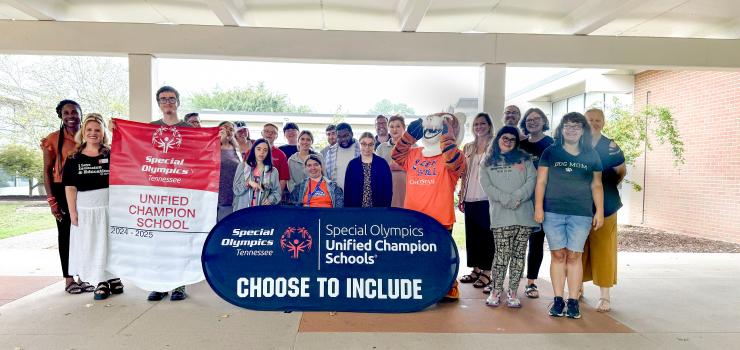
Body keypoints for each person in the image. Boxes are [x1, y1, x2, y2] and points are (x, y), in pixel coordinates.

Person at [534, 112, 604, 319]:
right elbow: (541, 182)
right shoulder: (550, 152)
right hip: (552, 211)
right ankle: (558, 300)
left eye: (576, 126)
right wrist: (538, 207)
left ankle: (573, 301)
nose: (571, 130)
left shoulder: (591, 154)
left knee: (574, 256)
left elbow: (597, 184)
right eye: (567, 126)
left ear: (583, 130)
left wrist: (599, 211)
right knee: (558, 255)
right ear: (561, 129)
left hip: (580, 213)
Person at [393, 112, 465, 300]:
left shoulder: (456, 156)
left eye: (436, 129)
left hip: (439, 218)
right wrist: (409, 135)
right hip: (414, 218)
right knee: (416, 256)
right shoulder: (414, 154)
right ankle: (421, 286)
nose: (431, 132)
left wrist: (447, 133)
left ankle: (448, 287)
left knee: (441, 258)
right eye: (428, 129)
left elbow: (451, 159)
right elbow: (396, 154)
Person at [63, 113, 122, 300]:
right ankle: (100, 281)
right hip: (86, 209)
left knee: (110, 244)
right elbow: (70, 188)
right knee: (92, 245)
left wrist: (119, 131)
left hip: (108, 207)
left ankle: (112, 276)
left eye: (97, 130)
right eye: (89, 129)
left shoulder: (112, 154)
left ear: (104, 132)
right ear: (83, 132)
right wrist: (73, 211)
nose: (93, 133)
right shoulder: (74, 158)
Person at [479, 126, 538, 308]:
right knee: (502, 255)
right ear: (498, 139)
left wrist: (517, 198)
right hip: (501, 216)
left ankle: (513, 291)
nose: (508, 141)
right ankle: (496, 291)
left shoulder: (525, 159)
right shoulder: (487, 161)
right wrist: (506, 199)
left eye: (512, 139)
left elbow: (532, 181)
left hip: (524, 215)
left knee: (519, 255)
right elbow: (486, 185)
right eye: (505, 137)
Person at [147, 85, 191, 302]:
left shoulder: (189, 129)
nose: (168, 102)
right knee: (158, 242)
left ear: (178, 102)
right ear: (158, 103)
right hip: (157, 193)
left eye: (172, 99)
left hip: (181, 192)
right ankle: (159, 284)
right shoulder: (150, 128)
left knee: (178, 241)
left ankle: (178, 285)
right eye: (163, 99)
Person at [581, 108, 626, 313]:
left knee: (604, 251)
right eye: (590, 119)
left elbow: (620, 172)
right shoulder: (574, 144)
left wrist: (604, 186)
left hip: (606, 205)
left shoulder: (610, 146)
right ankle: (577, 289)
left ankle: (604, 296)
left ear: (604, 122)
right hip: (578, 207)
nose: (594, 123)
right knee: (576, 250)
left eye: (598, 120)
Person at [41, 99, 87, 294]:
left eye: (74, 112)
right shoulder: (52, 139)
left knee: (85, 233)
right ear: (61, 116)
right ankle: (69, 278)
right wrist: (52, 200)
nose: (71, 116)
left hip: (86, 188)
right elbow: (46, 170)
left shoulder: (89, 135)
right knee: (66, 233)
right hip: (62, 189)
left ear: (80, 114)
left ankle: (84, 276)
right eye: (66, 113)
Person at [519, 108, 555, 299]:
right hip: (521, 200)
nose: (532, 122)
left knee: (536, 241)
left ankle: (531, 282)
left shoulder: (551, 144)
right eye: (529, 119)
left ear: (543, 121)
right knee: (518, 241)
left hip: (543, 200)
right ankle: (514, 279)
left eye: (536, 119)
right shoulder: (520, 144)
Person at [457, 112, 495, 289]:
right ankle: (475, 269)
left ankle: (487, 272)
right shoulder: (468, 148)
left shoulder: (495, 146)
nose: (479, 127)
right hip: (470, 195)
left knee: (486, 235)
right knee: (472, 235)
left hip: (488, 197)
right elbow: (464, 174)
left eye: (482, 124)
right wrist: (461, 195)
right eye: (476, 124)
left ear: (489, 125)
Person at [344, 132, 392, 208]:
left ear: (374, 145)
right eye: (363, 144)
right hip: (356, 209)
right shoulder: (352, 165)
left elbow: (388, 190)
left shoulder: (382, 164)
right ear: (359, 144)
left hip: (378, 209)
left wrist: (385, 209)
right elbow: (347, 191)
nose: (367, 147)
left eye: (370, 144)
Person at [233, 139, 281, 210]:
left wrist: (270, 200)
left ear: (268, 152)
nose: (262, 152)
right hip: (242, 211)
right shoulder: (242, 167)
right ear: (253, 150)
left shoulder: (273, 171)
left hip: (262, 212)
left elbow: (277, 192)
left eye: (265, 150)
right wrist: (248, 183)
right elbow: (236, 190)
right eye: (259, 149)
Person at [375, 115, 408, 207]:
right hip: (386, 193)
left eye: (398, 126)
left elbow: (418, 170)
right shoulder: (381, 148)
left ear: (404, 128)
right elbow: (376, 171)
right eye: (392, 127)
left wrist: (402, 167)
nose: (395, 129)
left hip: (407, 193)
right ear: (388, 129)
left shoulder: (413, 147)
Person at [287, 131, 324, 202]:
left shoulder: (319, 157)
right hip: (298, 199)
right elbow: (290, 182)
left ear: (311, 142)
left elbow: (324, 176)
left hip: (317, 197)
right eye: (302, 139)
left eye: (308, 139)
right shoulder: (291, 160)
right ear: (298, 141)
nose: (305, 142)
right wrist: (298, 196)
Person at [217, 121, 242, 221]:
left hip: (231, 194)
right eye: (225, 128)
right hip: (215, 193)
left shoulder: (237, 149)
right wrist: (219, 141)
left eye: (231, 129)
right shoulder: (211, 147)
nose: (228, 131)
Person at [324, 123, 360, 190]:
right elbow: (327, 178)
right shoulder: (331, 153)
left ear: (352, 134)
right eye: (339, 136)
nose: (343, 139)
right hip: (337, 196)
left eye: (346, 135)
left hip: (357, 194)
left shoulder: (362, 151)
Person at [261, 123, 290, 196]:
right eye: (267, 131)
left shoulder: (281, 155)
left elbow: (283, 178)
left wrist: (276, 196)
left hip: (271, 195)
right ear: (262, 133)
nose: (269, 134)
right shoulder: (251, 152)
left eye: (273, 132)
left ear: (276, 136)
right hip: (252, 195)